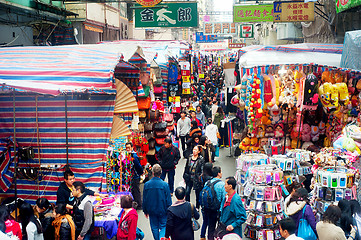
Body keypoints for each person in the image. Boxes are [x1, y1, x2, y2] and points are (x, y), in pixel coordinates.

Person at [143, 164, 172, 240]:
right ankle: (161, 238)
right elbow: (168, 200)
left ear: (152, 173)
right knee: (163, 226)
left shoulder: (146, 185)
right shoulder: (165, 185)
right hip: (163, 210)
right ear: (161, 173)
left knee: (154, 227)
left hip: (151, 210)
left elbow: (145, 199)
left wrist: (145, 211)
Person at [202, 166, 226, 240]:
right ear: (218, 173)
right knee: (221, 227)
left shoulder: (207, 182)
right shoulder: (222, 184)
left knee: (211, 227)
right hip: (217, 209)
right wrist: (221, 211)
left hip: (208, 208)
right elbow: (224, 198)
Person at [124, 142, 144, 210]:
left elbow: (138, 166)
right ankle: (135, 203)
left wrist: (140, 173)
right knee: (134, 190)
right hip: (131, 176)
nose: (127, 149)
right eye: (126, 148)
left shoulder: (134, 156)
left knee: (136, 190)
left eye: (129, 148)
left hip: (135, 176)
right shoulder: (127, 155)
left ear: (132, 148)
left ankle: (139, 205)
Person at [199, 162, 213, 240]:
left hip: (203, 199)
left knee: (205, 221)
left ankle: (202, 236)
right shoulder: (210, 179)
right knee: (210, 222)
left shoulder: (201, 176)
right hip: (208, 201)